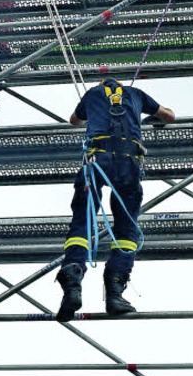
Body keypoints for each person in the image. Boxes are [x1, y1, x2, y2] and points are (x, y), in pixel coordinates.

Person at [56, 79, 175, 321]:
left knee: (83, 221)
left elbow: (73, 120)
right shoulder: (135, 94)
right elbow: (170, 116)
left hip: (96, 160)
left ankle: (72, 282)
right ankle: (115, 293)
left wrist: (90, 113)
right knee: (126, 227)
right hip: (128, 162)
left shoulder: (92, 94)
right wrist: (150, 119)